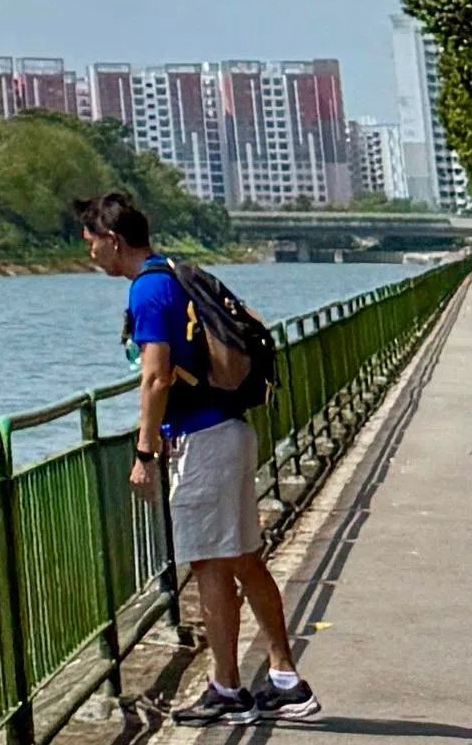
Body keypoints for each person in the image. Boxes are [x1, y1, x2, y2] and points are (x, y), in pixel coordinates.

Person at [81, 190, 316, 718]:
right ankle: (284, 678)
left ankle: (228, 689)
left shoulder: (147, 292)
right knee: (242, 558)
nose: (89, 254)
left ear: (113, 241)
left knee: (209, 562)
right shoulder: (176, 273)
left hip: (204, 442)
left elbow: (156, 375)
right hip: (229, 430)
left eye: (90, 242)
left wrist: (144, 450)